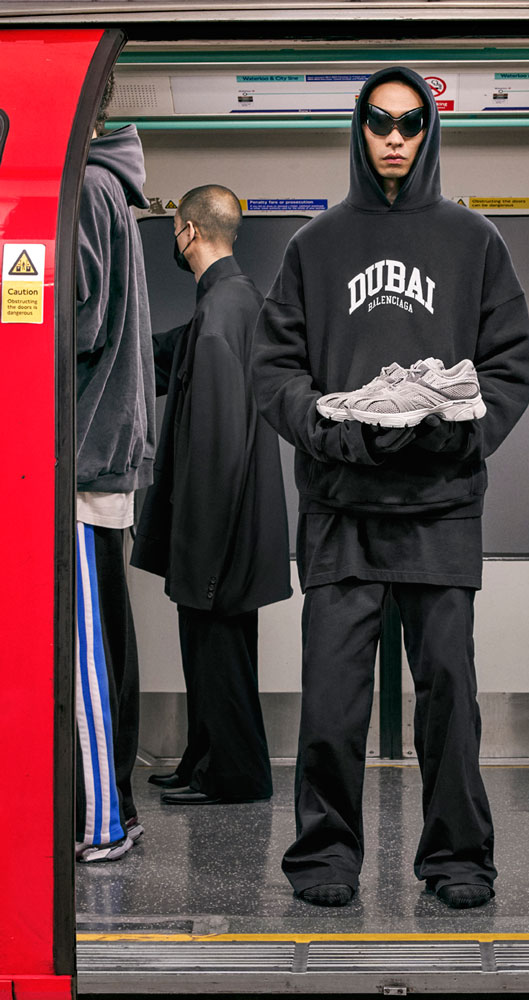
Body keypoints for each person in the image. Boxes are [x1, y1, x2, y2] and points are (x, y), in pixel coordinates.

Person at [252, 66, 529, 908]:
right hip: (340, 510)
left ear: (430, 132)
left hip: (441, 509)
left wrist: (458, 429)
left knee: (449, 700)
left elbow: (510, 365)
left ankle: (459, 859)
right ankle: (325, 858)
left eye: (411, 123)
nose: (396, 138)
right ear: (359, 129)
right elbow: (275, 373)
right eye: (380, 122)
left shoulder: (476, 241)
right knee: (332, 705)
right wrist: (333, 430)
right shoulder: (313, 246)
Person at [131, 185, 292, 805]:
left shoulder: (222, 313)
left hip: (218, 528)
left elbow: (220, 442)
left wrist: (203, 546)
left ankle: (233, 775)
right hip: (229, 525)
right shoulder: (231, 300)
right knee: (211, 651)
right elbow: (166, 359)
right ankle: (203, 760)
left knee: (218, 652)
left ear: (188, 232)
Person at [75, 73, 155, 861]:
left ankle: (103, 819)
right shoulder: (106, 188)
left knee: (89, 659)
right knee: (99, 647)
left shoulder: (88, 189)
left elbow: (74, 323)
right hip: (95, 454)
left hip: (80, 464)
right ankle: (100, 808)